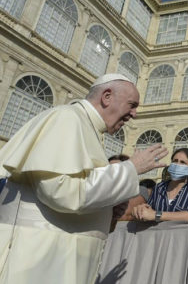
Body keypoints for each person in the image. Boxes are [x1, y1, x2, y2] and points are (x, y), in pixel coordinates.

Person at [0, 74, 168, 284]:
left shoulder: (89, 128)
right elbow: (60, 193)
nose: (134, 114)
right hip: (37, 256)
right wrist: (130, 169)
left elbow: (80, 190)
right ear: (107, 96)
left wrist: (108, 208)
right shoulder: (67, 118)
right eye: (132, 105)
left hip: (61, 255)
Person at [132, 148, 188, 222]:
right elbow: (150, 211)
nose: (177, 165)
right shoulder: (159, 187)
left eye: (183, 162)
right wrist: (141, 211)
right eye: (175, 161)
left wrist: (157, 215)